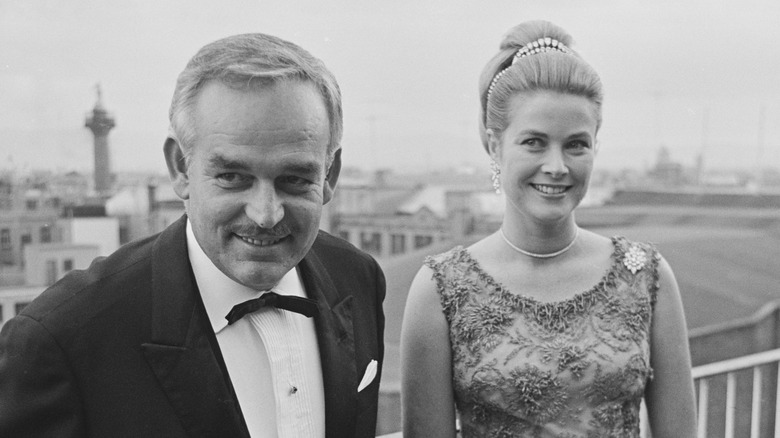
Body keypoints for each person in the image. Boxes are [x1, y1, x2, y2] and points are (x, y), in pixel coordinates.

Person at [0, 33, 385, 438]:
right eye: (233, 177)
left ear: (330, 176)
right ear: (180, 168)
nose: (266, 214)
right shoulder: (60, 340)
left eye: (294, 179)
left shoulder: (357, 277)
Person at [401, 21, 696, 437]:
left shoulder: (646, 276)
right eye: (534, 142)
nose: (557, 167)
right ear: (493, 144)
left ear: (596, 145)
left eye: (576, 144)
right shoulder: (440, 289)